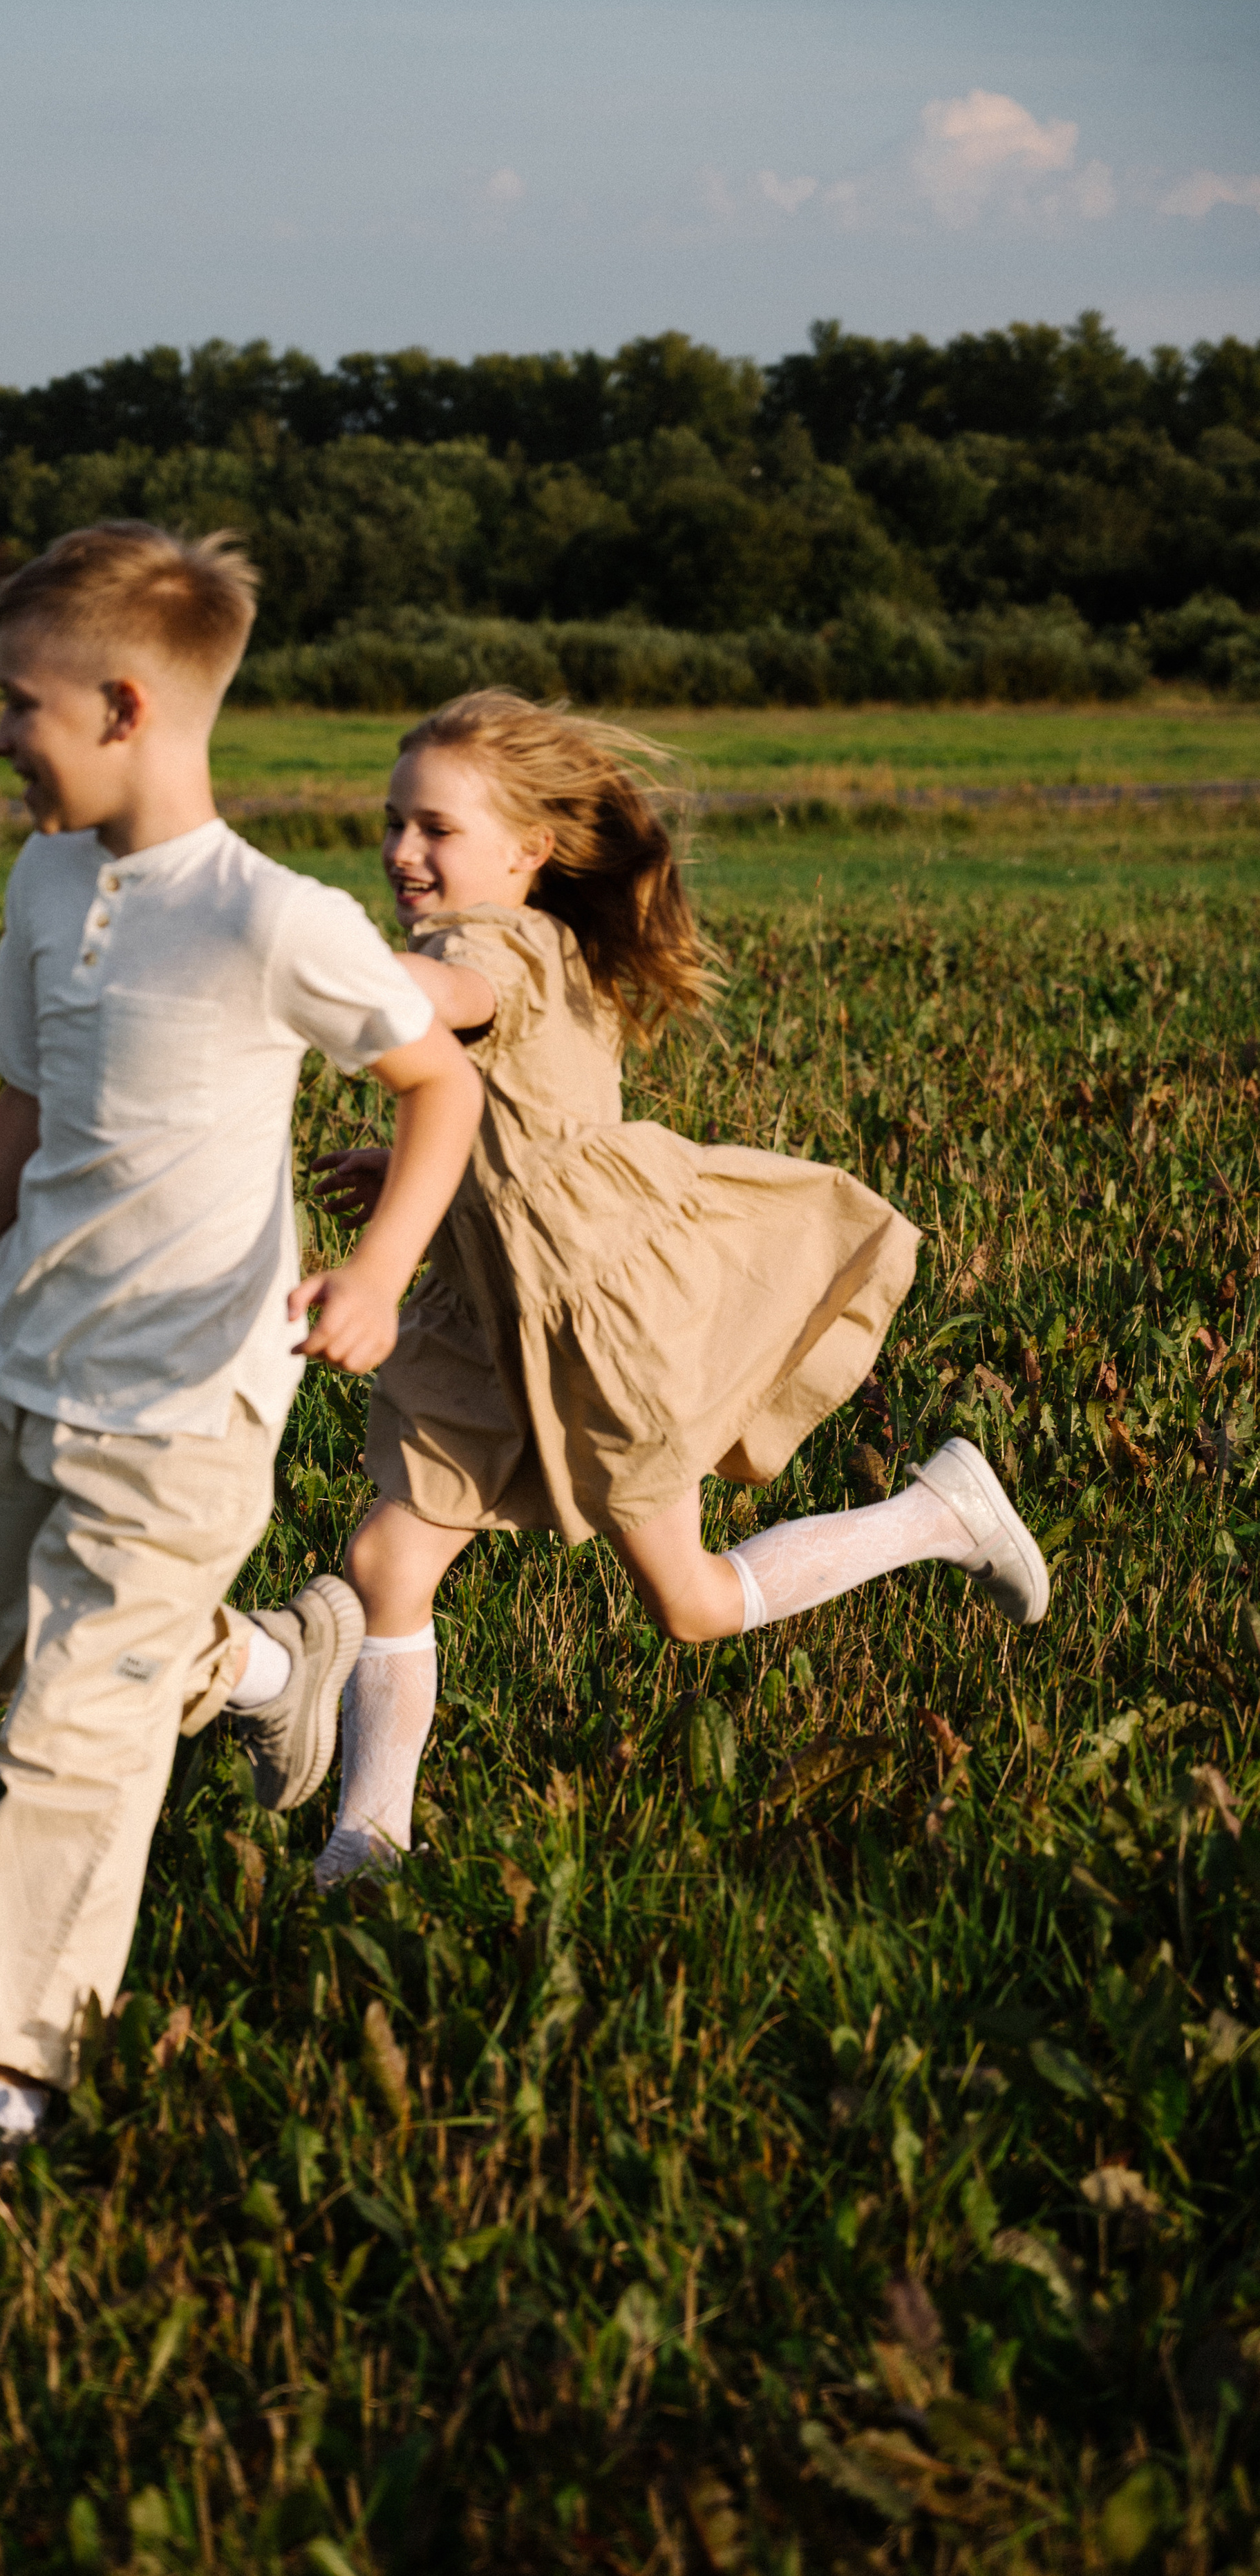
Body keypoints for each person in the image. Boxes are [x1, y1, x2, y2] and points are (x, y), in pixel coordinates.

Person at [0, 524, 483, 2177]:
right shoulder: (46, 881)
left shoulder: (273, 919)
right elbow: (21, 1109)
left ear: (123, 705)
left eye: (18, 704)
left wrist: (379, 1272)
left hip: (188, 1408)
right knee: (7, 1654)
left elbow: (441, 1084)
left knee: (70, 1739)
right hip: (26, 1361)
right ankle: (273, 1671)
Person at [305, 689, 1049, 1887]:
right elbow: (517, 1123)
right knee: (390, 1562)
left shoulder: (496, 947)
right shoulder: (507, 939)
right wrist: (411, 1174)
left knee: (692, 1607)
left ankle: (935, 1517)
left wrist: (294, 953)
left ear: (528, 849)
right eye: (393, 822)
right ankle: (369, 1839)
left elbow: (445, 1004)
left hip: (595, 1321)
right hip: (487, 1312)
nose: (401, 850)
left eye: (435, 828)